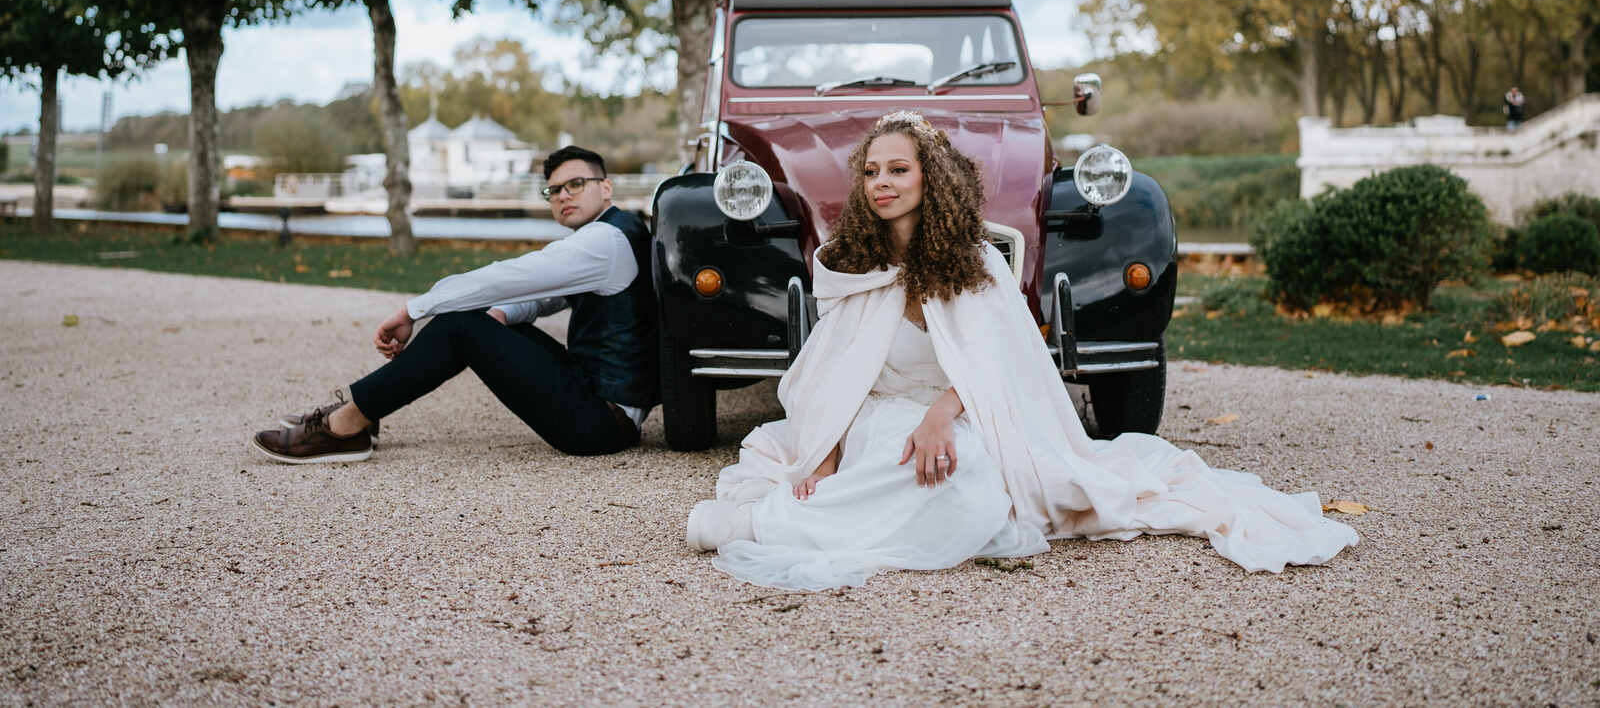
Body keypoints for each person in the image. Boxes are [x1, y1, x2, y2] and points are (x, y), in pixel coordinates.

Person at [686, 110, 1358, 590]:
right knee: (898, 465)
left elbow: (1000, 362)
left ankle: (778, 525)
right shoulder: (853, 263)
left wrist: (943, 413)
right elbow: (831, 376)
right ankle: (764, 522)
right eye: (870, 171)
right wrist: (824, 455)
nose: (881, 182)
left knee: (964, 470)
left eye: (898, 168)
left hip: (967, 410)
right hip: (875, 412)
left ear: (932, 177)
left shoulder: (975, 261)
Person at [252, 145, 658, 464]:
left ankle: (346, 426)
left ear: (605, 187)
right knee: (479, 317)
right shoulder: (614, 233)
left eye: (576, 184)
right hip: (596, 399)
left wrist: (416, 308)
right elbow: (539, 297)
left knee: (459, 325)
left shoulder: (603, 242)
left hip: (602, 423)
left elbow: (508, 276)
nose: (563, 196)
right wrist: (498, 316)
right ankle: (364, 411)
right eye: (554, 190)